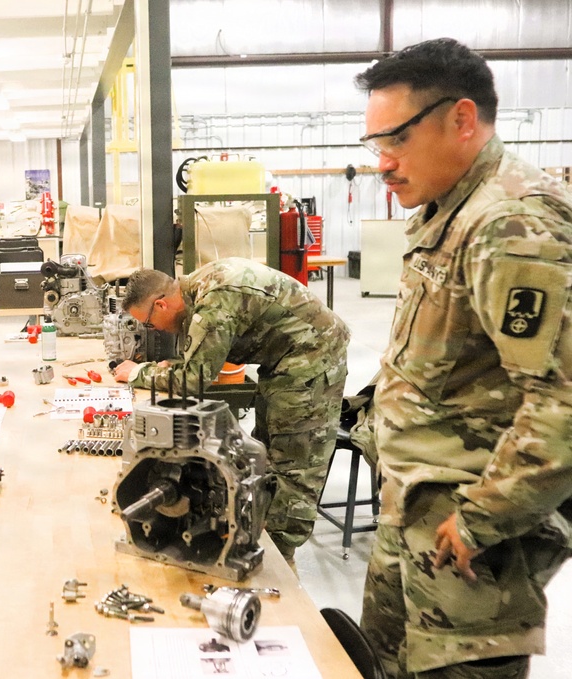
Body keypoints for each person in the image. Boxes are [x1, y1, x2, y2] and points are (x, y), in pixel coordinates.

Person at [355, 38, 572, 679]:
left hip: (471, 544)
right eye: (374, 146)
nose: (383, 164)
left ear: (461, 118)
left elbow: (563, 399)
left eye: (394, 140)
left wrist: (483, 519)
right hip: (414, 511)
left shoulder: (511, 223)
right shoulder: (450, 209)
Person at [112, 258, 349, 563]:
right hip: (286, 361)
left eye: (147, 323)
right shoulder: (195, 290)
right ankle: (258, 536)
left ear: (161, 305)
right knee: (263, 454)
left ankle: (281, 563)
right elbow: (201, 358)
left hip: (312, 361)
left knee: (293, 465)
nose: (153, 330)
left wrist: (137, 373)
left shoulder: (213, 301)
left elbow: (194, 380)